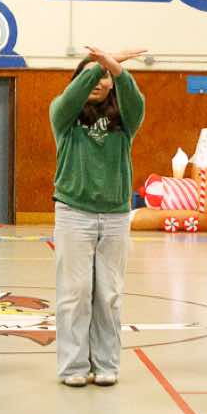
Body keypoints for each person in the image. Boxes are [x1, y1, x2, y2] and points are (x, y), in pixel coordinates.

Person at [50, 47, 148, 387]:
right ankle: (73, 367)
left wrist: (116, 69)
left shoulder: (126, 121)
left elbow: (135, 100)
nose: (98, 81)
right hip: (73, 213)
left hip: (115, 216)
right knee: (74, 293)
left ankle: (106, 364)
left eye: (104, 77)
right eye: (91, 75)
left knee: (109, 294)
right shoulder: (64, 116)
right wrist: (100, 64)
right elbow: (70, 97)